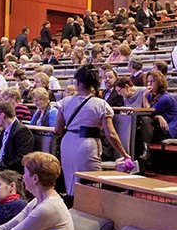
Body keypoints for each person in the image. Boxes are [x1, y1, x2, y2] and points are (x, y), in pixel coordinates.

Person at [56, 65, 131, 196]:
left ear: (77, 82)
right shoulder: (101, 104)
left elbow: (58, 129)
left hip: (67, 142)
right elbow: (111, 134)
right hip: (88, 143)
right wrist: (124, 154)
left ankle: (72, 204)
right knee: (90, 182)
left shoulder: (65, 102)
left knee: (70, 181)